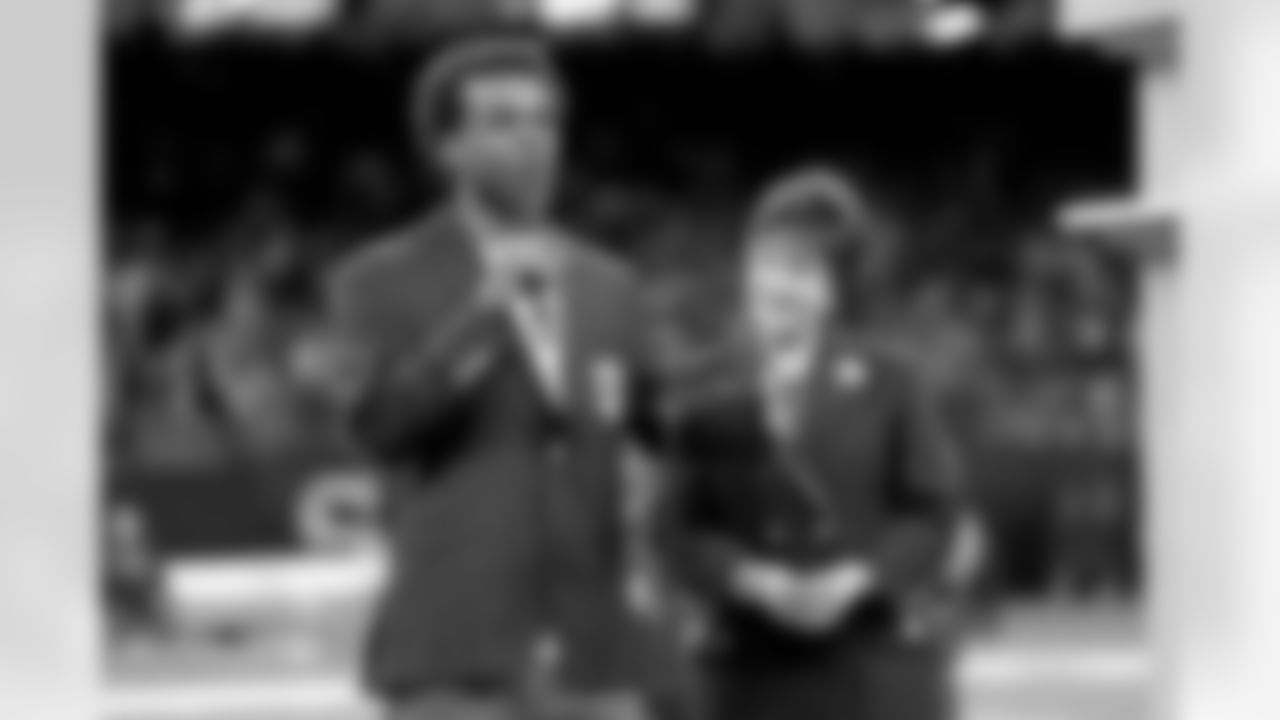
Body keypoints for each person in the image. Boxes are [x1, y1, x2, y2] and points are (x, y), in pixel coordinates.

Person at [308, 38, 678, 720]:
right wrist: (483, 312)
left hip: (593, 661)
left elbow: (668, 429)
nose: (533, 140)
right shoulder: (376, 280)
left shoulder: (609, 285)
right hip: (455, 659)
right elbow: (379, 428)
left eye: (545, 120)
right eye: (503, 121)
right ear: (448, 149)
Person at [656, 168, 972, 720]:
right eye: (767, 264)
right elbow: (674, 526)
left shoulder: (892, 383)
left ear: (834, 289)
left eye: (802, 270)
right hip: (740, 676)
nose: (780, 285)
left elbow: (932, 512)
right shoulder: (699, 387)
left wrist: (857, 580)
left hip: (870, 671)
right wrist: (752, 580)